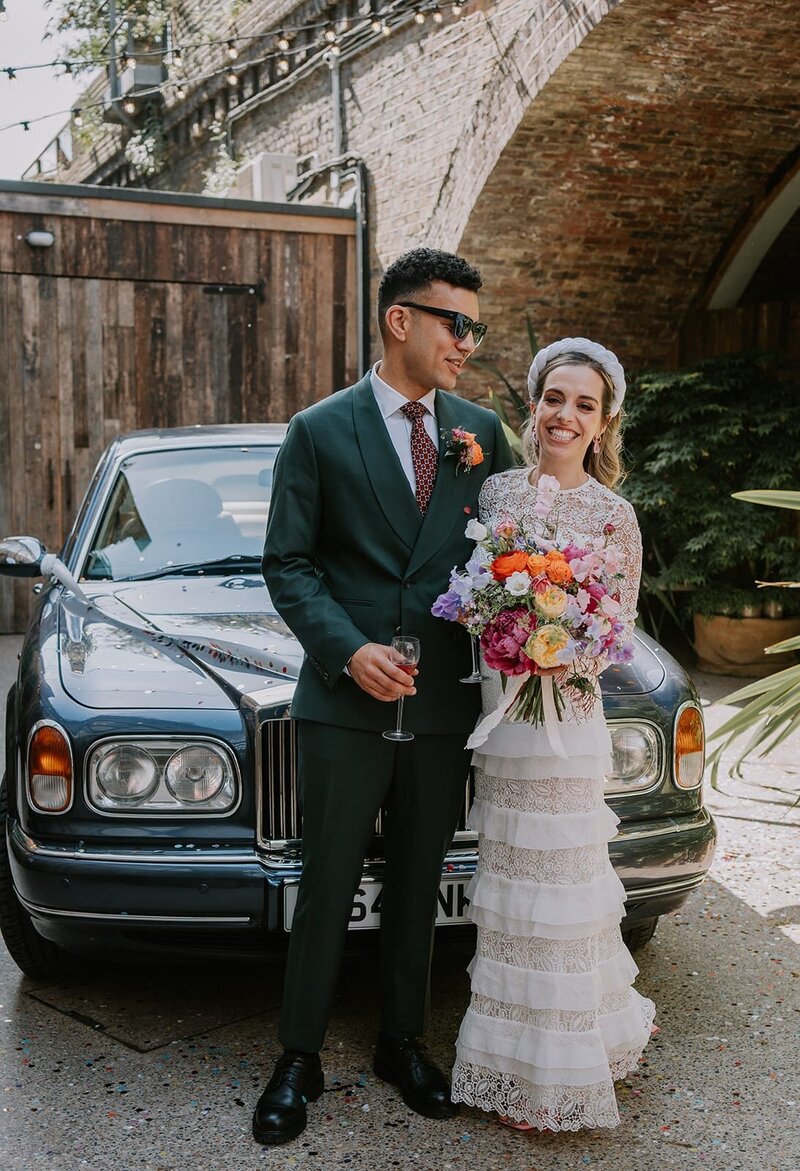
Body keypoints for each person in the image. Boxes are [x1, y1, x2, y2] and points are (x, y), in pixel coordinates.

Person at [256, 247, 515, 1145]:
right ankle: (298, 1055)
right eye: (457, 323)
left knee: (418, 878)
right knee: (326, 881)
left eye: (475, 327)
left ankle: (402, 1041)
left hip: (445, 702)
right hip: (343, 701)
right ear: (399, 319)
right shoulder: (318, 431)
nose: (469, 343)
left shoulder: (483, 430)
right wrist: (345, 648)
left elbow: (509, 553)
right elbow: (286, 564)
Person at [450, 337, 656, 1132]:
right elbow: (471, 593)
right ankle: (513, 1055)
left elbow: (620, 628)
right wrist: (499, 626)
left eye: (584, 404)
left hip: (567, 722)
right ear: (533, 406)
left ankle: (563, 1066)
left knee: (565, 896)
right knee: (513, 893)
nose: (566, 415)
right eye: (554, 398)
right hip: (505, 722)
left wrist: (564, 635)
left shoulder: (614, 514)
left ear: (603, 424)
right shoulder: (498, 494)